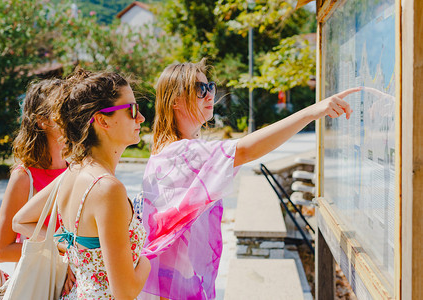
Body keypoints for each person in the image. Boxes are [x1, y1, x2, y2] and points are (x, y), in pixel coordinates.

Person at [140, 60, 361, 299]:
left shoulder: (173, 150)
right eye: (199, 88)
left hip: (176, 280)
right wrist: (313, 112)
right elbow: (245, 150)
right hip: (175, 287)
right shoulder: (180, 153)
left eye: (210, 87)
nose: (209, 95)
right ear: (175, 100)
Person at [12, 69, 151, 299]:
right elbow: (125, 292)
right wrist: (148, 259)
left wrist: (73, 249)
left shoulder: (74, 171)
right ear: (102, 120)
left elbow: (22, 220)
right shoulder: (107, 188)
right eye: (132, 110)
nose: (141, 118)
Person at [0, 79, 68, 264]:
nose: (73, 116)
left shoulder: (77, 169)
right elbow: (2, 251)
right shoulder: (24, 178)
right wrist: (61, 254)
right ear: (42, 120)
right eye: (63, 109)